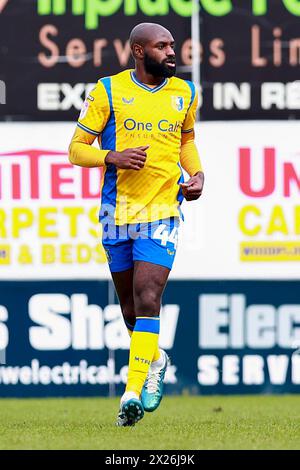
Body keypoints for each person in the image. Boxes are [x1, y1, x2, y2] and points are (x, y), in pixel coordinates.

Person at [69, 22, 204, 426]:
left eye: (173, 45)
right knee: (130, 309)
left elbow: (186, 141)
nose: (172, 52)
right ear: (139, 51)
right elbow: (76, 150)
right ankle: (156, 358)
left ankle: (131, 392)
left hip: (162, 211)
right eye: (162, 46)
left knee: (149, 296)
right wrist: (112, 157)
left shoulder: (186, 92)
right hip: (117, 214)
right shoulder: (108, 90)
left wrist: (196, 175)